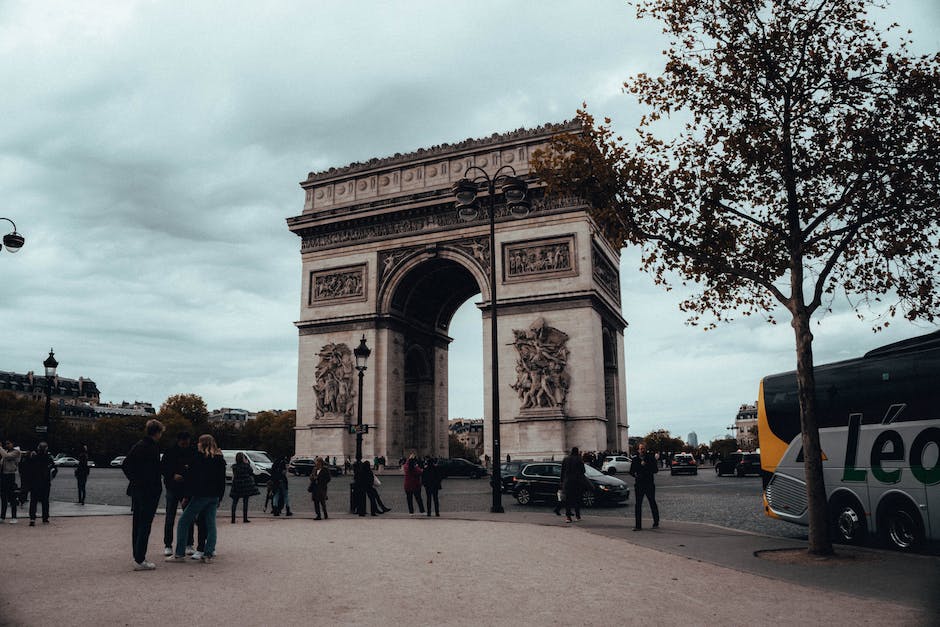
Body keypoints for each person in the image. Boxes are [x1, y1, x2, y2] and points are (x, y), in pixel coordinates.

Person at [166, 434, 226, 564]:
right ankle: (208, 553)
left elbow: (192, 479)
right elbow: (221, 481)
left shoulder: (198, 458)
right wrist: (220, 497)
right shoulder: (219, 459)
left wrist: (187, 496)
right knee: (211, 525)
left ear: (201, 444)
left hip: (200, 495)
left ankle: (179, 554)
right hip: (214, 495)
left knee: (183, 522)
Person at [123, 418, 165, 571]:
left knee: (138, 524)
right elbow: (154, 471)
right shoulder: (152, 447)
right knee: (145, 525)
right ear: (158, 432)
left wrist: (135, 480)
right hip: (149, 490)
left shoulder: (139, 445)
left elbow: (126, 465)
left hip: (138, 489)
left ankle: (138, 555)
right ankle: (140, 558)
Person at [161, 432, 196, 556]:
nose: (185, 444)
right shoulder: (171, 451)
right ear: (179, 440)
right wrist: (173, 476)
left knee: (184, 517)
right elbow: (163, 468)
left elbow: (164, 468)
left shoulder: (172, 451)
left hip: (181, 486)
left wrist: (171, 475)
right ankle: (169, 544)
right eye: (184, 442)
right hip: (174, 487)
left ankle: (187, 543)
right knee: (173, 517)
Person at [629, 442, 660, 531]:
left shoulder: (650, 458)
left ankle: (656, 522)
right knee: (638, 505)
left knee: (652, 503)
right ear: (638, 450)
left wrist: (646, 466)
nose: (642, 450)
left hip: (649, 483)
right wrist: (635, 475)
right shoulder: (635, 459)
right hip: (639, 484)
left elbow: (655, 470)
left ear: (645, 449)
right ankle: (638, 525)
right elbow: (631, 471)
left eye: (643, 448)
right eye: (640, 449)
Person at [24, 442, 56, 526]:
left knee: (33, 501)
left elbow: (27, 469)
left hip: (34, 482)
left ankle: (32, 519)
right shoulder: (48, 458)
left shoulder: (34, 458)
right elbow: (54, 469)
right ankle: (45, 518)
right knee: (45, 501)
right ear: (46, 449)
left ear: (38, 448)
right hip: (45, 482)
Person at [229, 452, 259, 523]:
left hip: (236, 484)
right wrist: (247, 463)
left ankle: (233, 519)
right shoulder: (246, 466)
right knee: (245, 502)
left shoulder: (234, 466)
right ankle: (245, 518)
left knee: (234, 502)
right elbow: (251, 472)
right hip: (245, 485)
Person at [559, 446, 586, 523]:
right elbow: (583, 471)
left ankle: (568, 517)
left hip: (567, 482)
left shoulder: (565, 459)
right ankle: (577, 516)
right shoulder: (579, 459)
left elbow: (562, 471)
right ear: (577, 452)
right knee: (577, 499)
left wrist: (561, 481)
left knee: (567, 500)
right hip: (577, 482)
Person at [1, 440, 23, 523]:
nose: (7, 445)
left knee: (12, 497)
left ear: (13, 444)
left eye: (8, 443)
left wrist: (0, 447)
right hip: (3, 475)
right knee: (3, 497)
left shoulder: (16, 452)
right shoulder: (5, 451)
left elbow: (6, 457)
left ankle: (14, 517)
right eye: (6, 443)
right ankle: (2, 517)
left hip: (10, 475)